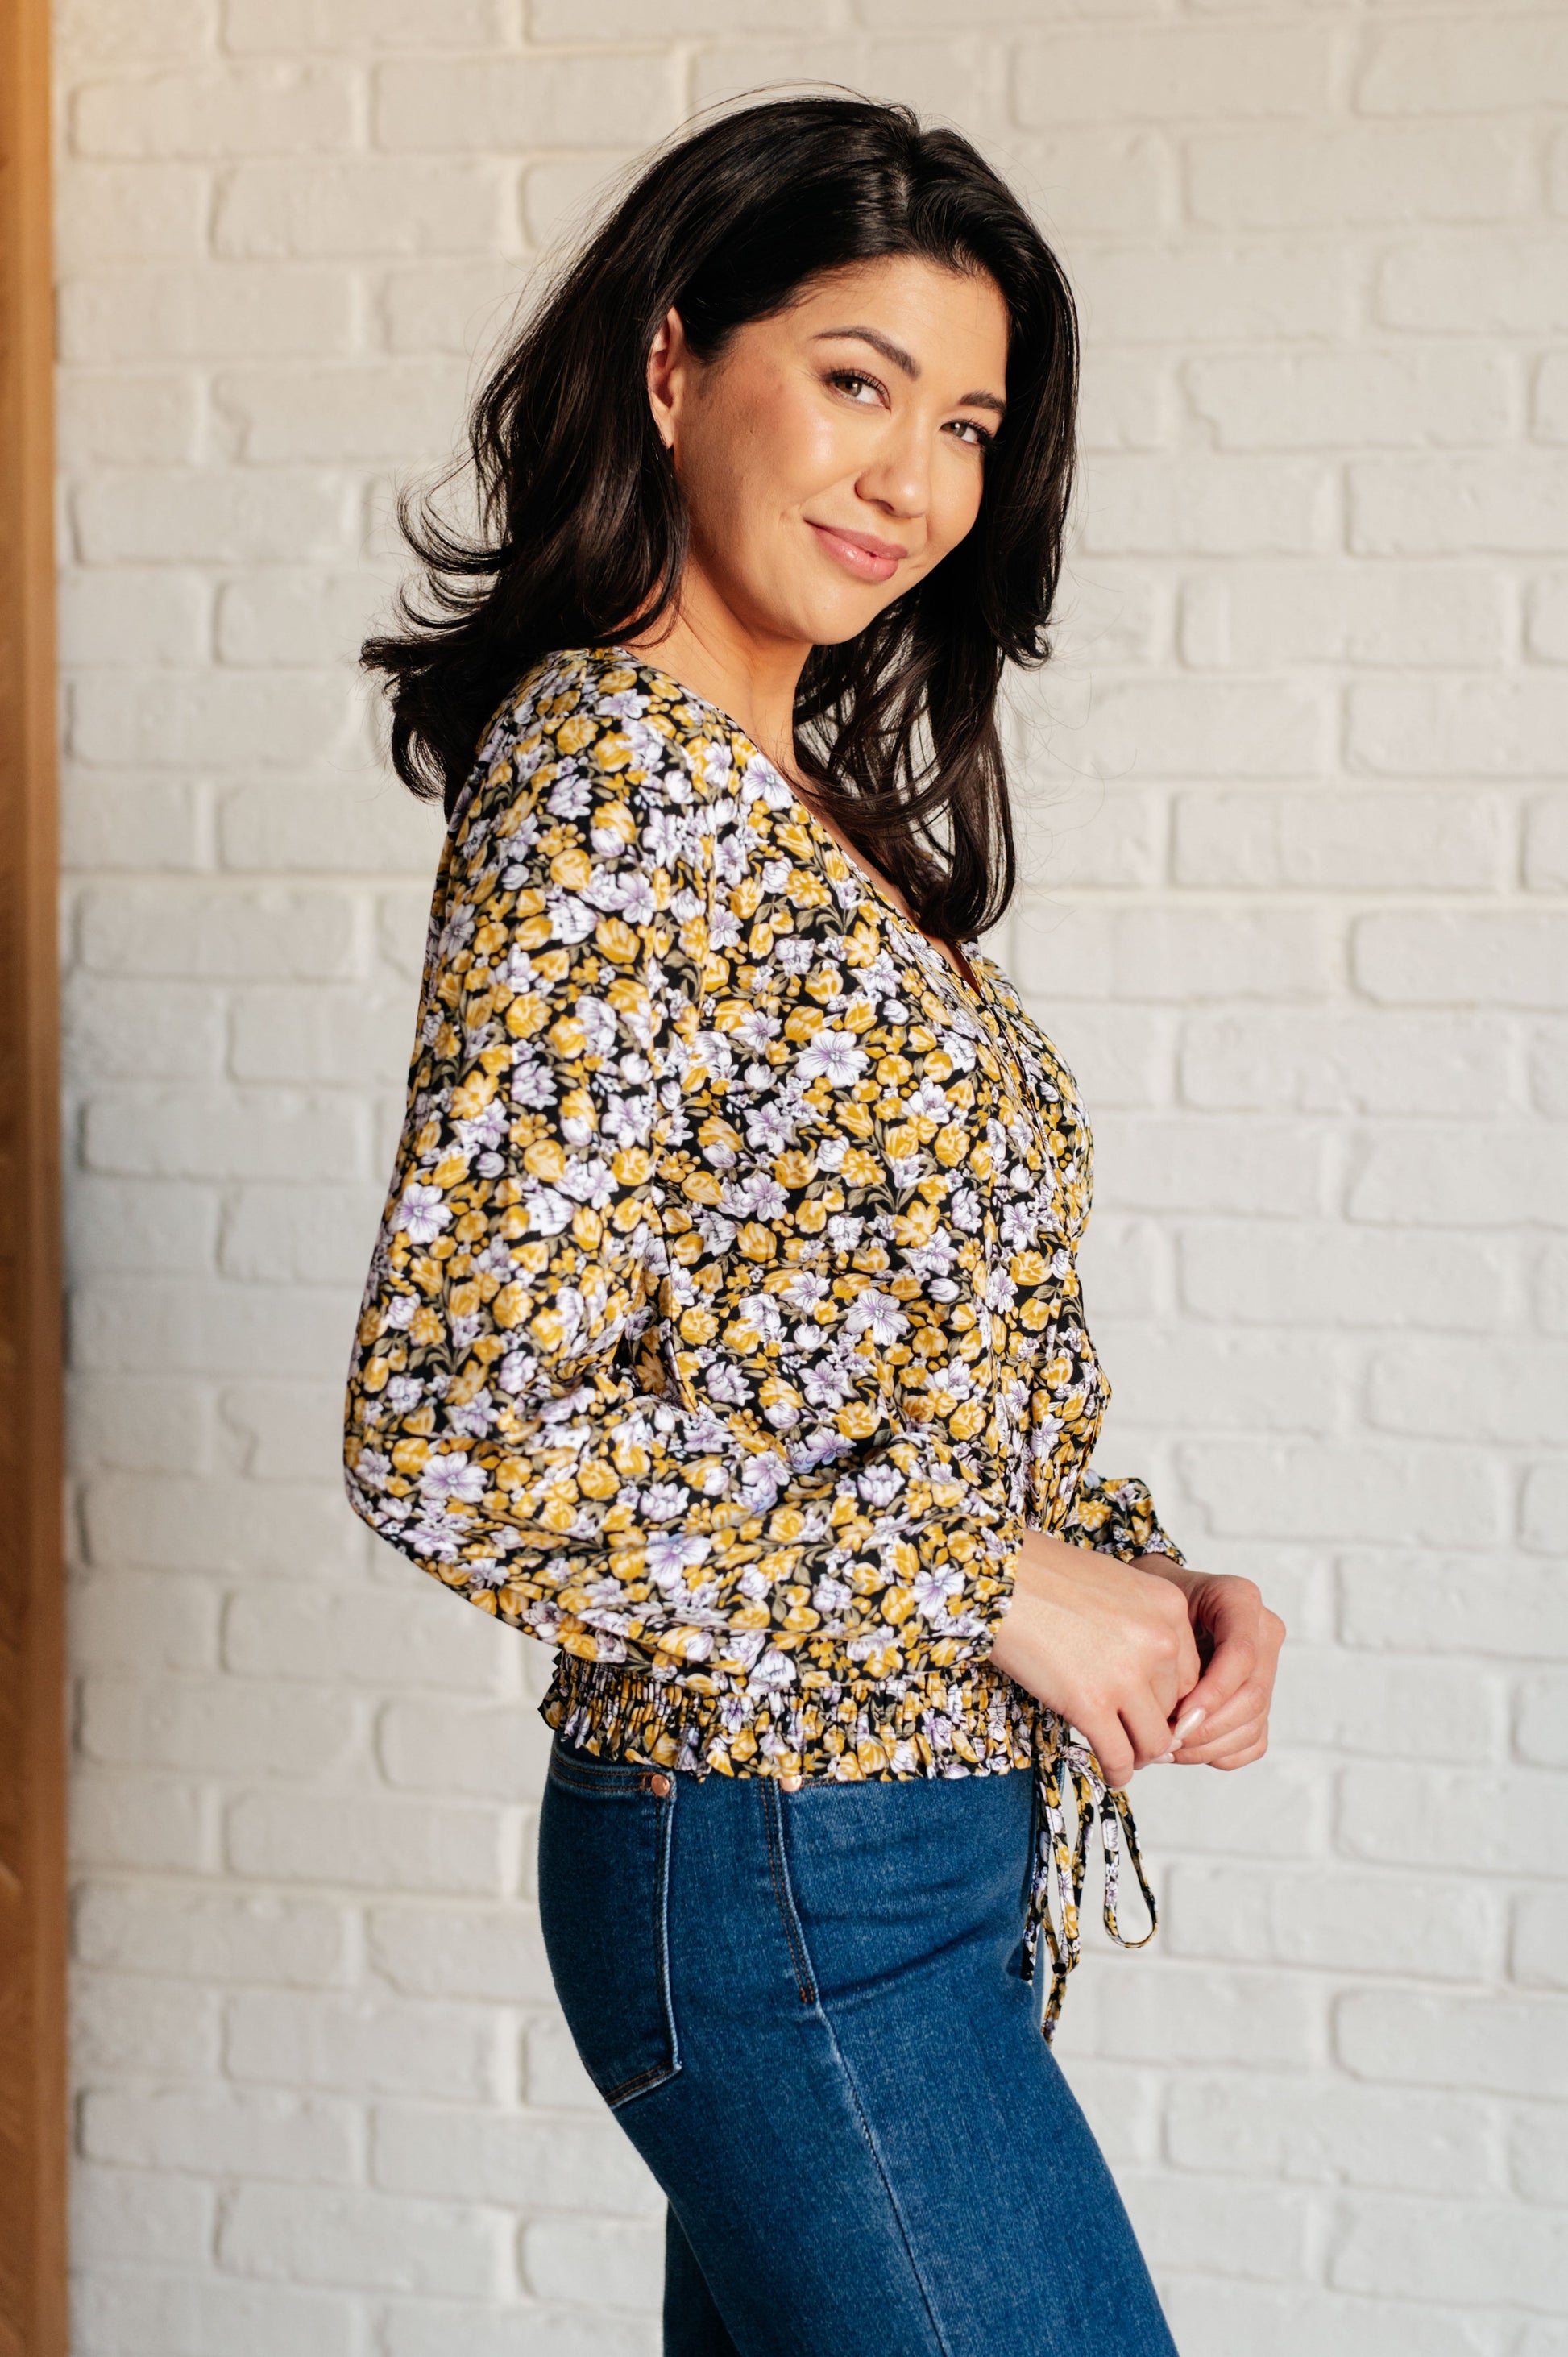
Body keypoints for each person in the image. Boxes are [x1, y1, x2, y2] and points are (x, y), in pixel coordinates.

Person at [345, 93, 1284, 2357]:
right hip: (781, 1855)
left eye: (964, 422)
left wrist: (1123, 1574)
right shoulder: (605, 779)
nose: (910, 477)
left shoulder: (812, 816)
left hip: (911, 1845)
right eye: (853, 379)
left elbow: (865, 1352)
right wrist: (984, 1582)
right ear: (672, 367)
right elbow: (452, 1427)